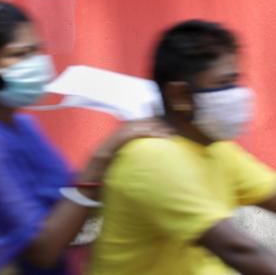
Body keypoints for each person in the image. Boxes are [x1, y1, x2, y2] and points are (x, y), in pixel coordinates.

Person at [0, 0, 167, 275]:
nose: (36, 63)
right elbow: (41, 249)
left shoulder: (23, 126)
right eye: (20, 54)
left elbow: (65, 202)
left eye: (37, 51)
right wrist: (106, 153)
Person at [89, 19, 276, 275]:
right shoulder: (152, 158)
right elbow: (237, 251)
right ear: (179, 96)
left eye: (235, 81)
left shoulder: (213, 147)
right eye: (223, 84)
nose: (237, 94)